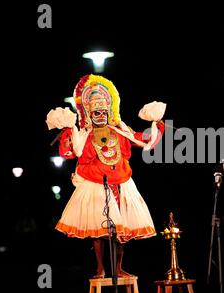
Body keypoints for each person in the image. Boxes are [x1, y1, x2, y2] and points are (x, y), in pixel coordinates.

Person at [49, 74, 165, 278]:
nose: (100, 115)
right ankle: (100, 269)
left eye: (104, 111)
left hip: (120, 183)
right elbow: (68, 152)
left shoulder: (119, 130)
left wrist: (157, 124)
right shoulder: (83, 134)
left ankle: (118, 268)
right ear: (90, 113)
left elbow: (141, 140)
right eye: (96, 112)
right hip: (95, 184)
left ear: (109, 111)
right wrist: (68, 132)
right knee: (98, 230)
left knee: (121, 231)